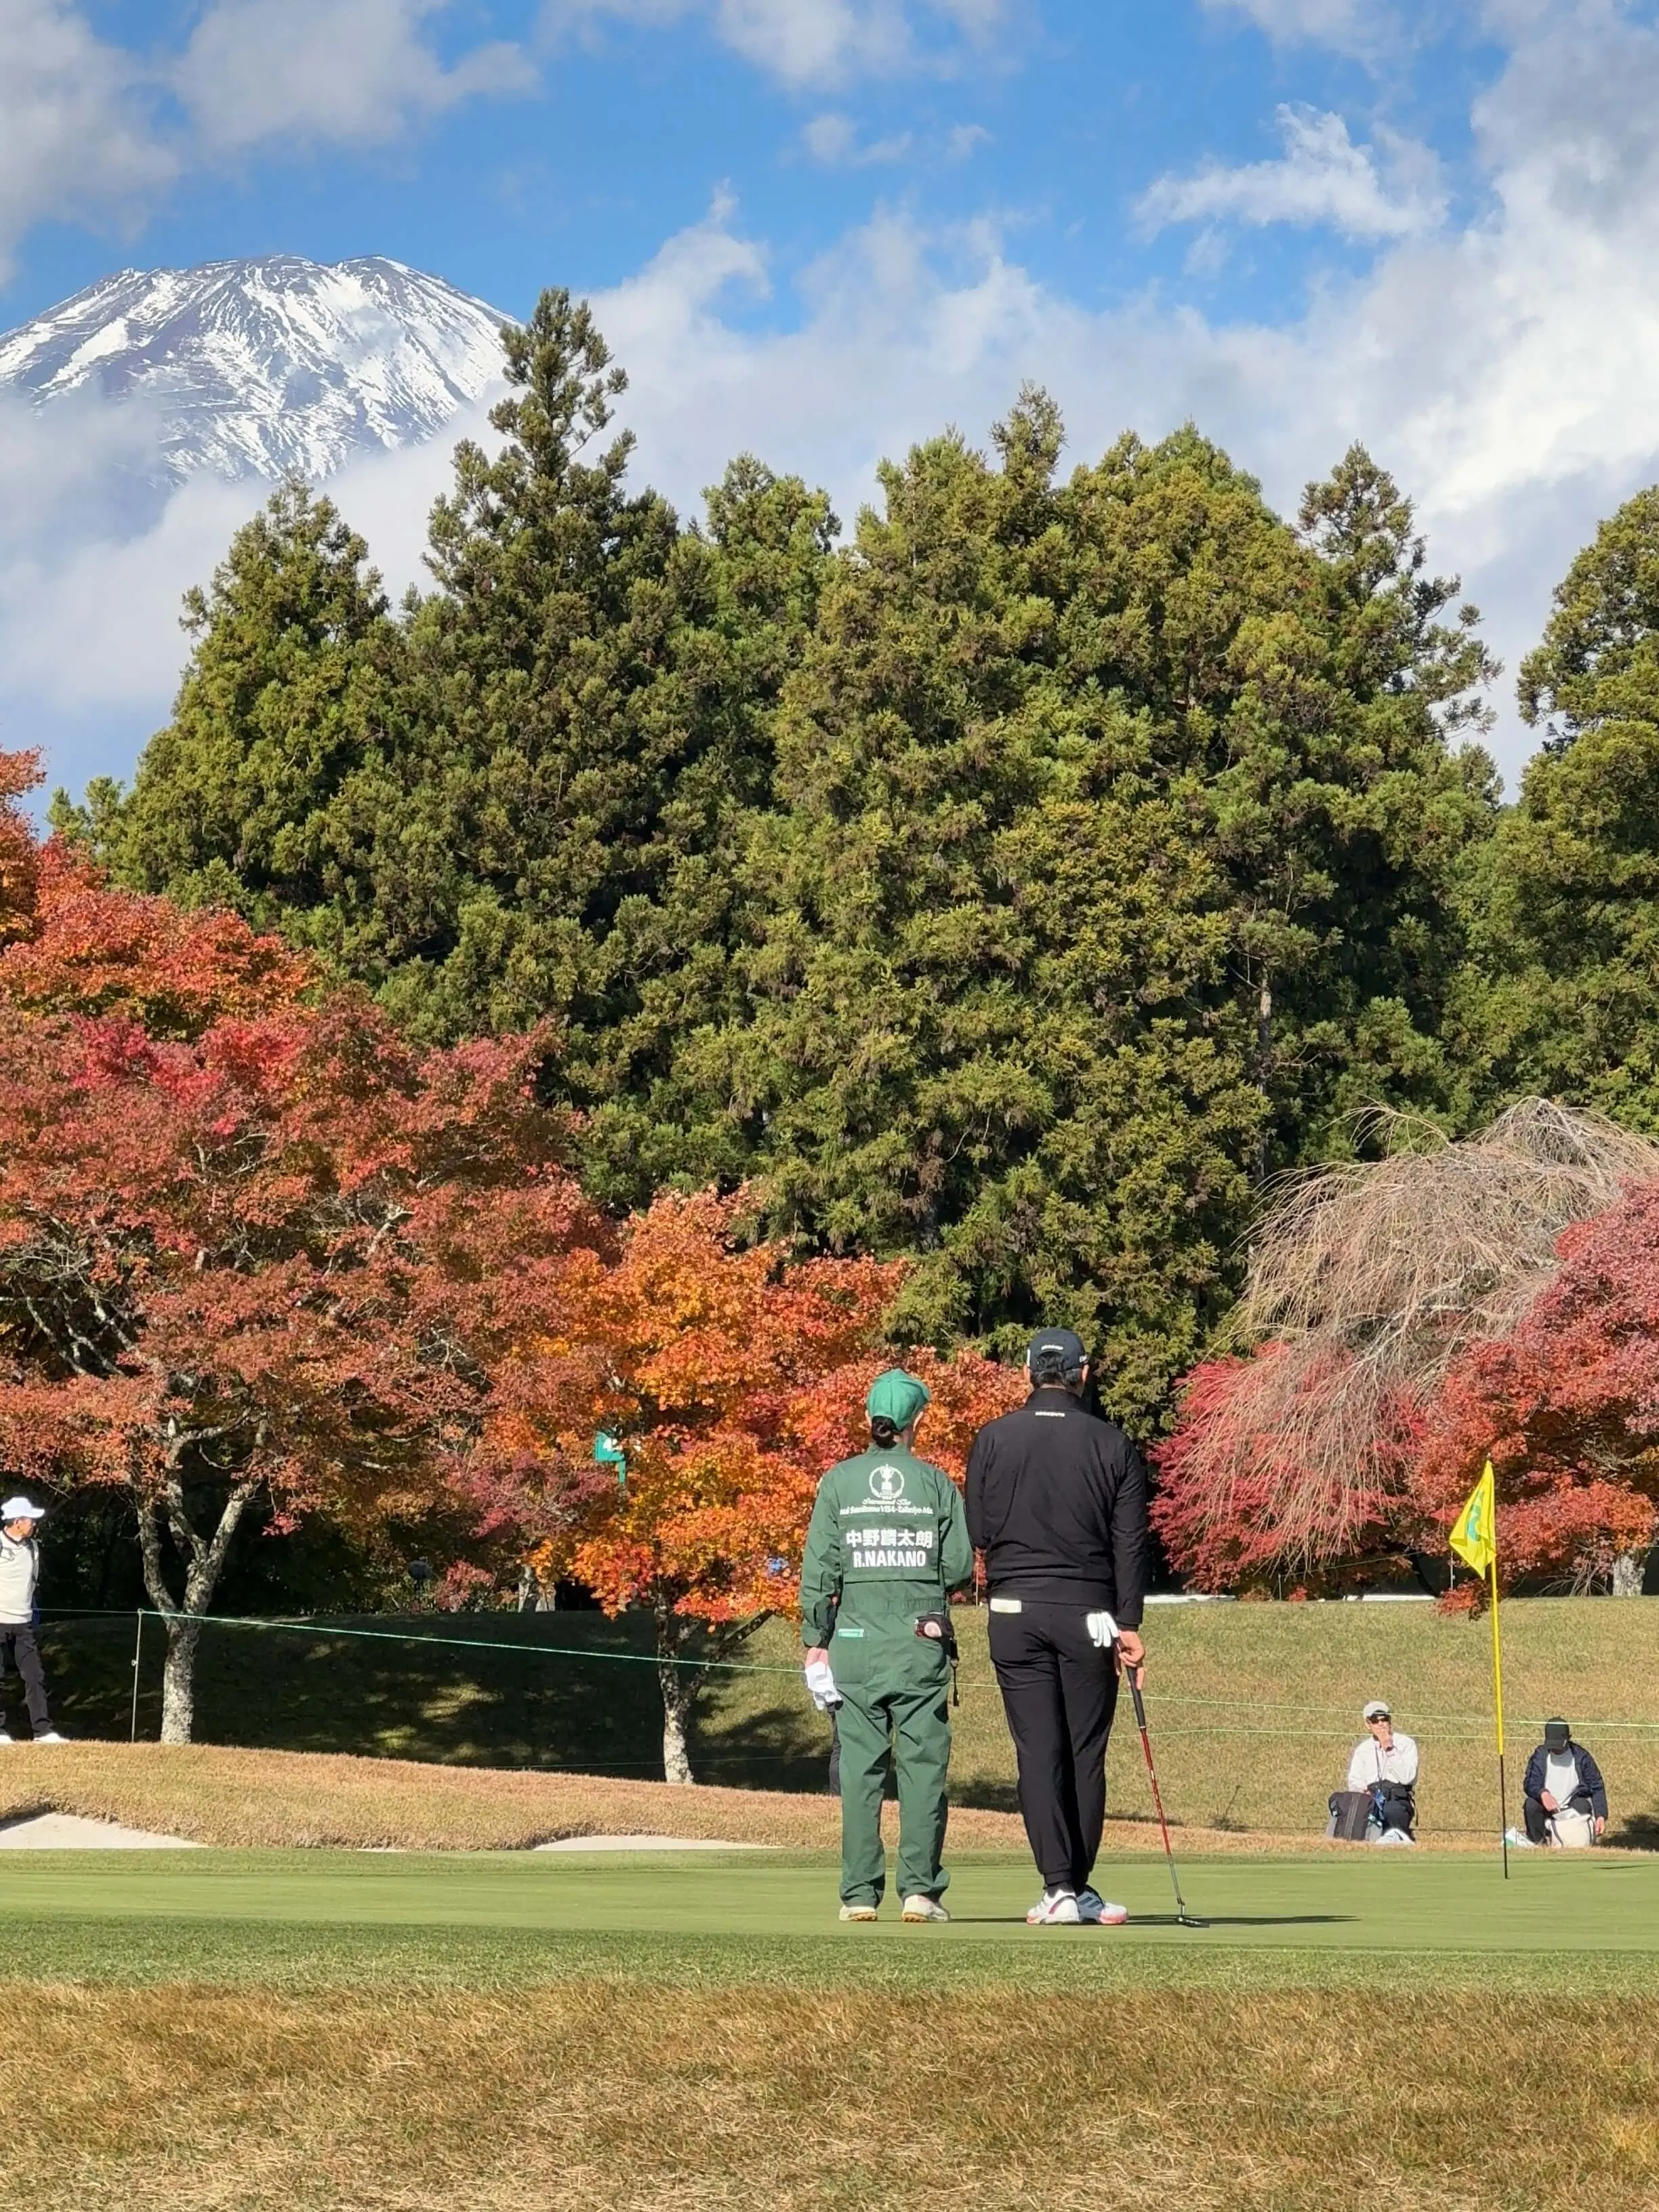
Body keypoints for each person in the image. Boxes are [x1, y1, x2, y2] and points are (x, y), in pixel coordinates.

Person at [966, 1326, 1149, 1927]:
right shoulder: (1113, 1444)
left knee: (1037, 1751)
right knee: (1084, 1752)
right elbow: (1130, 1546)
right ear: (1083, 1373)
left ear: (1028, 1371)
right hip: (1090, 1615)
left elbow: (980, 1532)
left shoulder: (992, 1439)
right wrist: (1129, 1625)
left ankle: (1058, 1889)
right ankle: (1078, 1884)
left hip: (1014, 1613)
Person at [800, 1369, 972, 1923]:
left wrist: (814, 1641)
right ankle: (920, 1891)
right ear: (917, 1420)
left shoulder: (837, 1483)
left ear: (868, 1419)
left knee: (859, 1770)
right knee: (924, 1768)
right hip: (919, 1641)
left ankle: (857, 1894)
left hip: (853, 1642)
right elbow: (959, 1566)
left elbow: (818, 1572)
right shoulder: (936, 1484)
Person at [0, 1499, 64, 1745]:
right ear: (18, 1522)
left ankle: (42, 1731)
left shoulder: (34, 1548)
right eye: (30, 1520)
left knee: (35, 1676)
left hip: (24, 1624)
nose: (34, 1524)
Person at [1523, 1717, 1607, 1847]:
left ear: (1568, 1738)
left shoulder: (1582, 1757)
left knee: (1583, 1805)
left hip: (1572, 1808)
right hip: (1546, 1807)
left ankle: (1574, 1844)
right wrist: (1543, 1794)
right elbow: (1530, 1783)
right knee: (1531, 1805)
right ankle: (1539, 1844)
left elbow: (1597, 1786)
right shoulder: (1540, 1755)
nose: (1555, 1749)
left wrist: (1601, 1815)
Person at [1344, 1700, 1417, 1844]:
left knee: (1392, 1809)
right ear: (1368, 1724)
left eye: (1384, 1719)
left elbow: (1408, 1778)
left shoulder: (1406, 1744)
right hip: (1371, 1798)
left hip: (1396, 1798)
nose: (1381, 1724)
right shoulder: (1363, 1750)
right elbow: (1355, 1780)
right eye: (1375, 1721)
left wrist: (1390, 1750)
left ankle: (1398, 1836)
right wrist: (1363, 1791)